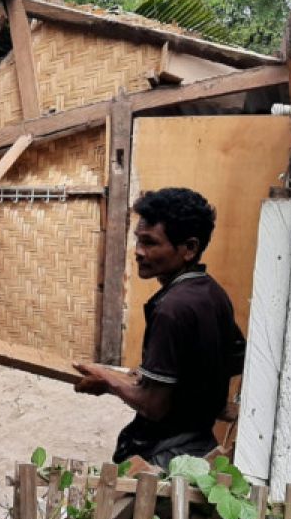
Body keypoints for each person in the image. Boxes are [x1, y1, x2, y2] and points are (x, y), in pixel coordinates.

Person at [73, 187, 245, 470]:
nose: (139, 252)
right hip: (201, 447)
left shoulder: (172, 308)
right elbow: (236, 356)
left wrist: (108, 381)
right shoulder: (212, 293)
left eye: (151, 243)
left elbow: (154, 405)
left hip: (168, 457)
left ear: (189, 248)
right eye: (138, 240)